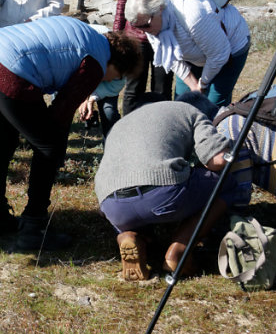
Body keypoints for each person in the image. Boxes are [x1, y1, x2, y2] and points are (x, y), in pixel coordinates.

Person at [0, 16, 140, 251]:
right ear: (117, 64)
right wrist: (57, 150)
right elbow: (61, 113)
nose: (110, 81)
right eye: (117, 77)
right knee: (48, 145)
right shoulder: (96, 62)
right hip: (8, 67)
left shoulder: (87, 35)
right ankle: (33, 227)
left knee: (5, 137)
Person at [94, 93, 241, 280]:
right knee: (227, 184)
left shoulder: (122, 123)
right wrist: (231, 149)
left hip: (111, 206)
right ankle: (179, 249)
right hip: (161, 195)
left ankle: (130, 235)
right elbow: (217, 160)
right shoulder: (190, 111)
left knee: (137, 207)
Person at [124, 0, 249, 108]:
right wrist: (194, 85)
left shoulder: (192, 16)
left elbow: (219, 55)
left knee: (213, 105)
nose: (143, 31)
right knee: (183, 104)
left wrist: (203, 84)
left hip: (230, 48)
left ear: (160, 9)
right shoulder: (148, 23)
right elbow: (170, 56)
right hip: (195, 56)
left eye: (145, 26)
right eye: (138, 27)